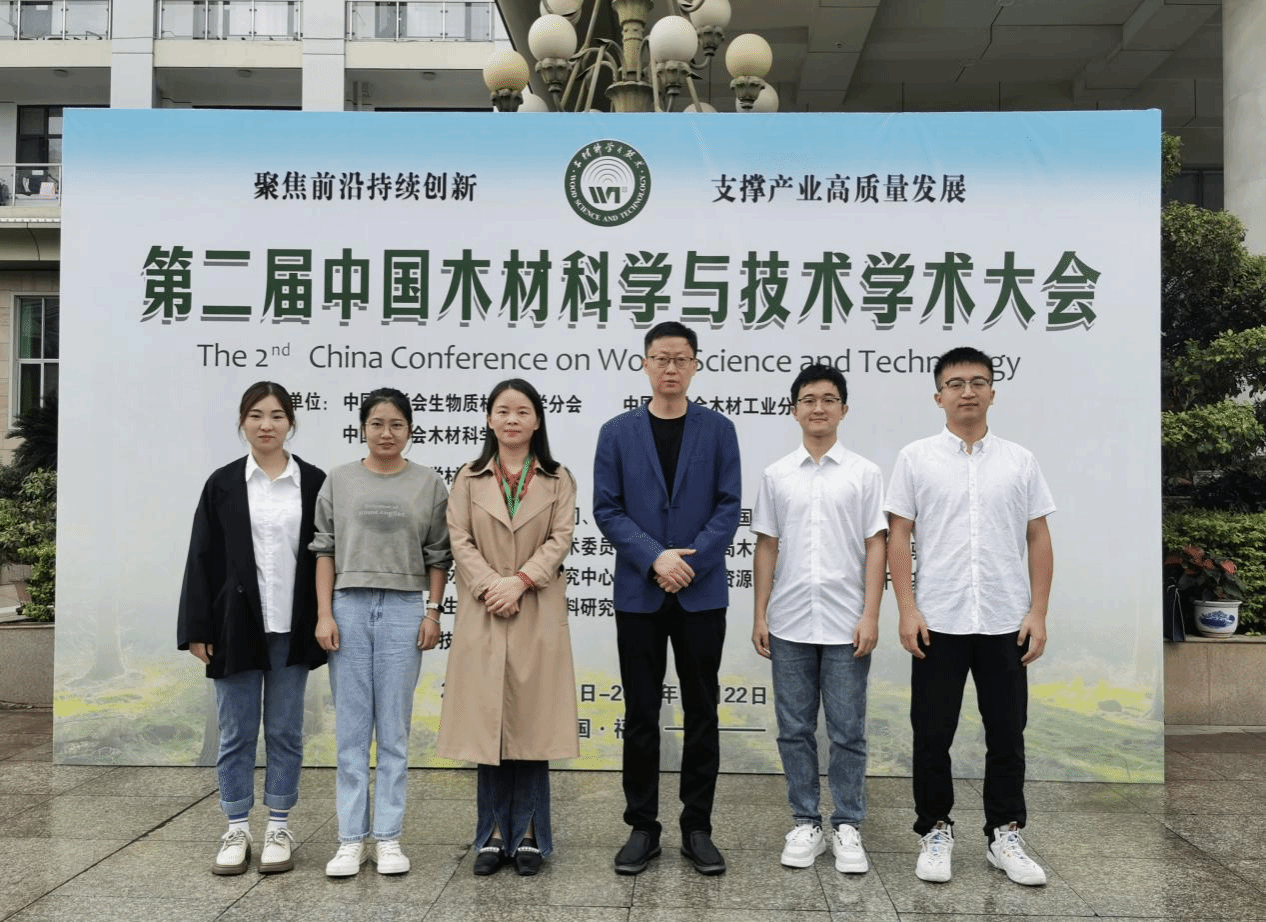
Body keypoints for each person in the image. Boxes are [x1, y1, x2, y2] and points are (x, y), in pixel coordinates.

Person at [885, 346, 1055, 887]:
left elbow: (1038, 536)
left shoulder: (1019, 461)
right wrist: (906, 608)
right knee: (932, 733)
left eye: (978, 382)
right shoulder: (915, 458)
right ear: (938, 396)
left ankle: (1005, 833)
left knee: (1007, 733)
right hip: (938, 619)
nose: (967, 392)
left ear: (992, 393)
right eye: (955, 384)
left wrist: (1038, 612)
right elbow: (898, 535)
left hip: (1006, 619)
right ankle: (935, 829)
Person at [593, 320, 741, 877]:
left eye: (681, 358)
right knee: (641, 712)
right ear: (645, 364)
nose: (671, 368)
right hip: (640, 592)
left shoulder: (719, 430)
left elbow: (728, 506)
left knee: (702, 710)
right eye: (661, 358)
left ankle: (697, 828)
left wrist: (689, 564)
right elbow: (607, 508)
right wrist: (656, 558)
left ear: (695, 365)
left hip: (701, 594)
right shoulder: (616, 432)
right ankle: (642, 828)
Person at [177, 381, 327, 876]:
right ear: (242, 422)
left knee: (285, 731)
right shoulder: (222, 483)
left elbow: (326, 556)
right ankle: (236, 827)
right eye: (257, 415)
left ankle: (279, 825)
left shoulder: (313, 482)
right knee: (236, 732)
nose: (267, 425)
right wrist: (197, 627)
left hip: (291, 627)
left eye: (277, 415)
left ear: (291, 423)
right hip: (234, 626)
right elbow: (201, 558)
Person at [437, 378, 579, 878]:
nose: (512, 419)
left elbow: (560, 539)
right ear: (489, 419)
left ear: (537, 420)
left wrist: (518, 582)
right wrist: (490, 586)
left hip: (534, 607)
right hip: (485, 610)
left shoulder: (558, 478)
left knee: (533, 728)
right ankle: (493, 835)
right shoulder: (469, 476)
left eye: (522, 411)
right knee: (488, 727)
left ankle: (532, 834)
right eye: (503, 411)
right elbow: (459, 539)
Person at [750, 364, 886, 873]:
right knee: (794, 730)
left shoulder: (865, 473)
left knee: (848, 731)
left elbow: (876, 545)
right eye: (808, 399)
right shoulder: (777, 474)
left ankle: (847, 824)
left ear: (843, 409)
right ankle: (806, 821)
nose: (819, 407)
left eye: (829, 399)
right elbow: (767, 545)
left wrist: (871, 614)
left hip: (847, 621)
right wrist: (760, 614)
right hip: (789, 621)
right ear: (794, 410)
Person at [311, 387, 451, 878]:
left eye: (396, 424)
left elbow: (439, 554)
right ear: (362, 428)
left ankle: (388, 837)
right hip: (348, 606)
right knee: (351, 732)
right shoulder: (339, 480)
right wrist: (324, 614)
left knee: (393, 730)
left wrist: (433, 613)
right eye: (376, 423)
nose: (386, 433)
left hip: (403, 609)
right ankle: (350, 840)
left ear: (409, 429)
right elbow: (324, 549)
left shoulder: (429, 483)